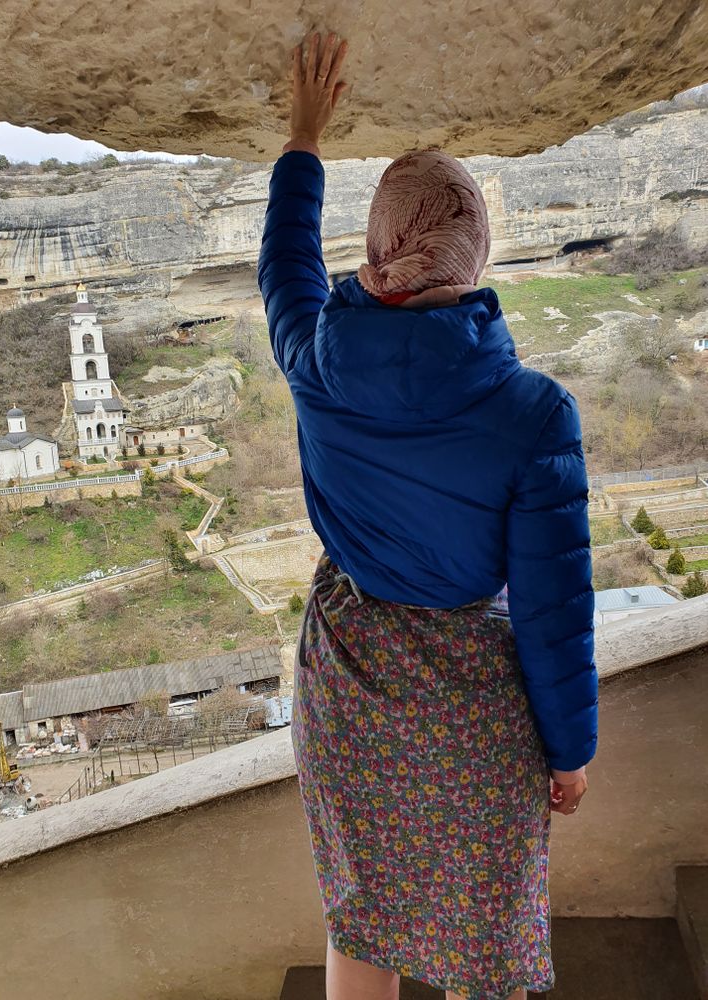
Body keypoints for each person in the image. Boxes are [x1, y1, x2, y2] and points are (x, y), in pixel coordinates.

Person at [258, 31, 597, 1000]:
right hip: (473, 702)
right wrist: (570, 749)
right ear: (472, 250)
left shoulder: (316, 358)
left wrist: (304, 135)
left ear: (380, 245)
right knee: (484, 935)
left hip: (350, 675)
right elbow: (554, 607)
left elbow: (285, 260)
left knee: (363, 916)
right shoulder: (533, 412)